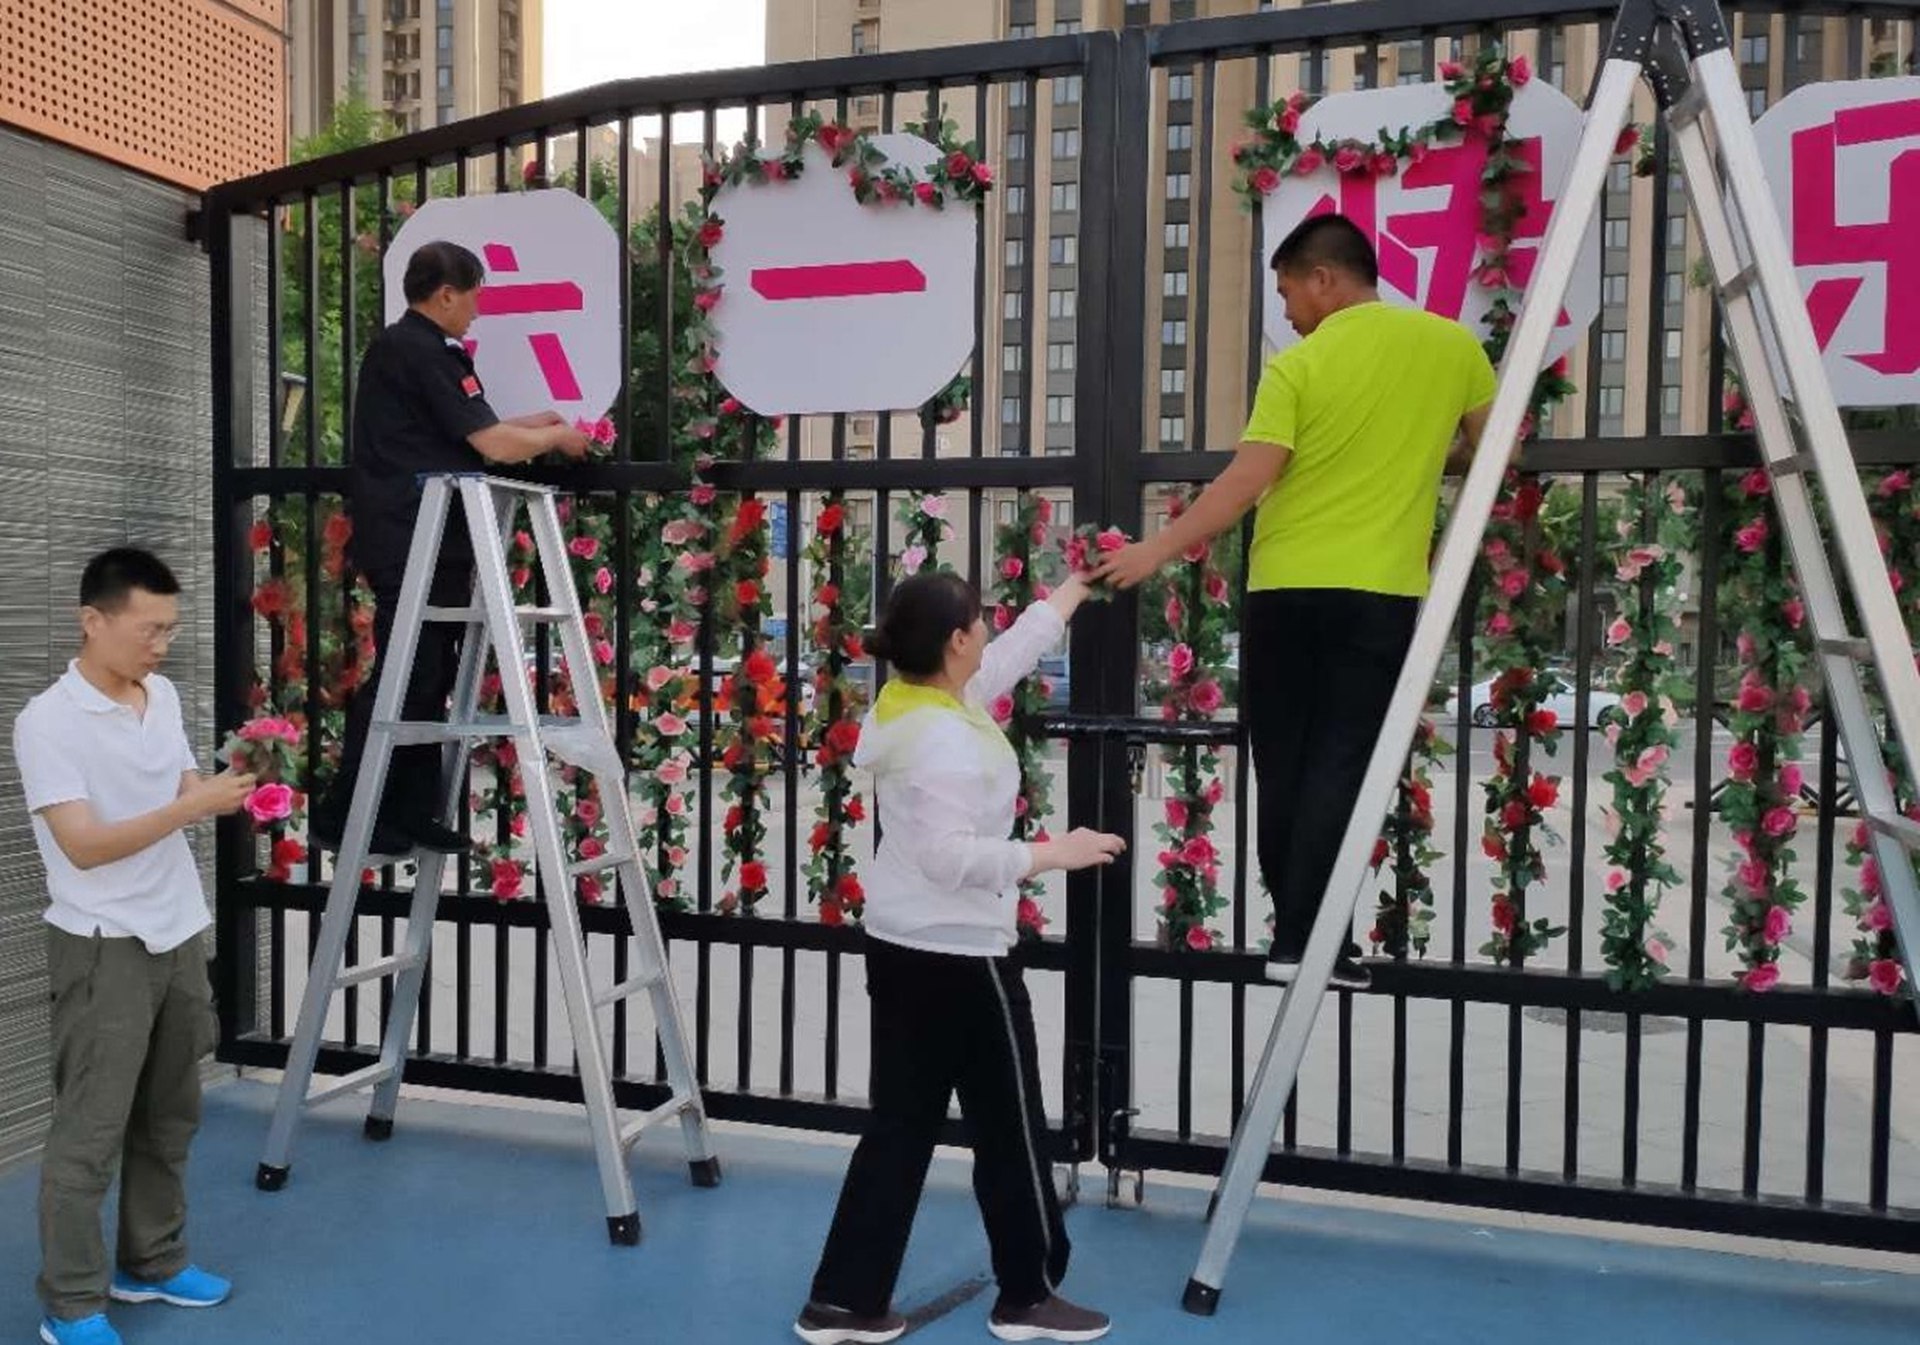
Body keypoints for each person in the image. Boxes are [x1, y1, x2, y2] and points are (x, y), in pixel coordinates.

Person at [1093, 214, 1498, 989]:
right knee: (1341, 764)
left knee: (1282, 768)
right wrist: (1426, 453)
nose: (1287, 311)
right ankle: (1314, 945)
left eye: (1287, 292)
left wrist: (1155, 549)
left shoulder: (1298, 367)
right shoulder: (1455, 349)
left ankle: (1298, 939)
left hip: (1284, 592)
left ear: (1325, 278)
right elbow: (1497, 445)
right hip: (1380, 593)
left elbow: (1248, 479)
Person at [795, 571, 1123, 1345]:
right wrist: (1054, 852)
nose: (989, 632)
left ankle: (843, 1300)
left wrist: (1073, 589)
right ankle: (1028, 1294)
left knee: (900, 1125)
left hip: (903, 947)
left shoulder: (917, 701)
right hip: (962, 957)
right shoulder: (942, 739)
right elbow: (949, 857)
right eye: (980, 621)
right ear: (955, 640)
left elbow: (1007, 658)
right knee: (1010, 1127)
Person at [12, 548, 258, 1345]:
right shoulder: (47, 722)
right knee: (90, 1131)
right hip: (101, 942)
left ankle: (151, 1262)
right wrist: (194, 808)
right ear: (93, 621)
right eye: (149, 629)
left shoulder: (164, 694)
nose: (162, 644)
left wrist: (232, 785)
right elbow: (82, 845)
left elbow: (183, 787)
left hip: (177, 928)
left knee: (170, 1114)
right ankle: (72, 1304)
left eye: (170, 630)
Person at [311, 240, 594, 857]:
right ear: (445, 295)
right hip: (412, 535)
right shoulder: (422, 349)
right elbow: (492, 445)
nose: (477, 311)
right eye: (473, 298)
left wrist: (537, 424)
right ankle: (345, 811)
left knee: (429, 675)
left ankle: (409, 811)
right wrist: (558, 439)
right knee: (408, 674)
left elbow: (467, 435)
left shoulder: (414, 351)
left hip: (429, 535)